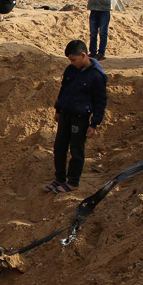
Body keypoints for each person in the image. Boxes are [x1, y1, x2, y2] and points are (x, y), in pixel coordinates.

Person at [48, 39, 107, 193]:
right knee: (59, 147)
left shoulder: (96, 76)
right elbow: (64, 90)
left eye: (74, 60)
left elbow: (100, 102)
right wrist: (58, 109)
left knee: (76, 150)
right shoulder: (70, 70)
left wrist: (94, 124)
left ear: (83, 55)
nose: (72, 63)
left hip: (80, 118)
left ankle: (73, 181)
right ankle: (59, 178)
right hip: (66, 114)